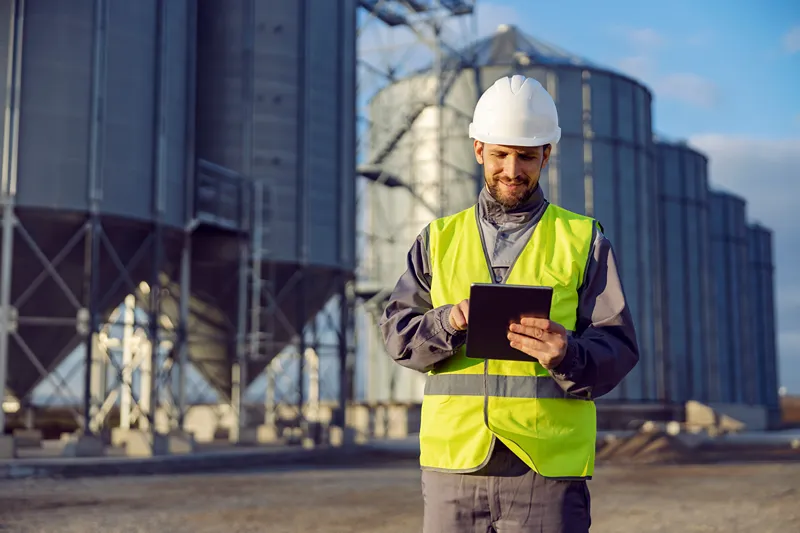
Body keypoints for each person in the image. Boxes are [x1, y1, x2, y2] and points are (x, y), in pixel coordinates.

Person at [379, 74, 640, 533]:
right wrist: (446, 323)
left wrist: (569, 354)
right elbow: (398, 335)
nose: (513, 170)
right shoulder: (438, 240)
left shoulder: (583, 241)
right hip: (454, 466)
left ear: (547, 155)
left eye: (526, 156)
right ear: (478, 148)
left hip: (546, 468)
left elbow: (618, 347)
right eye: (500, 154)